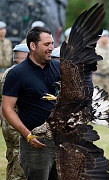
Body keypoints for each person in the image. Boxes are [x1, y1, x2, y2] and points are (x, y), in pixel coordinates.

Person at [2, 26, 60, 179]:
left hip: (62, 141)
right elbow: (7, 108)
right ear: (33, 46)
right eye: (46, 44)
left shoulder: (59, 67)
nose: (52, 48)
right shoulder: (17, 73)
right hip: (36, 143)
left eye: (52, 43)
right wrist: (27, 135)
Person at [0, 44, 28, 180]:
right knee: (19, 159)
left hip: (6, 123)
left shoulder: (7, 72)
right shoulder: (20, 73)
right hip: (16, 122)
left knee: (11, 156)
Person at [93, 29, 109, 101]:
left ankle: (108, 112)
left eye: (107, 36)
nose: (106, 38)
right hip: (98, 77)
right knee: (97, 97)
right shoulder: (95, 49)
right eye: (104, 36)